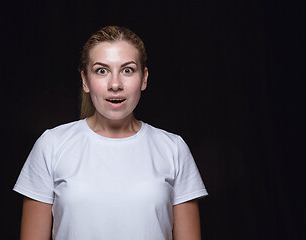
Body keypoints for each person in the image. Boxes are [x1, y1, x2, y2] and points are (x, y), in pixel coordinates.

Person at [14, 25, 208, 240]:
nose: (115, 84)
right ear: (85, 80)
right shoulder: (51, 145)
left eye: (127, 70)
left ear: (144, 78)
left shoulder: (173, 148)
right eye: (101, 70)